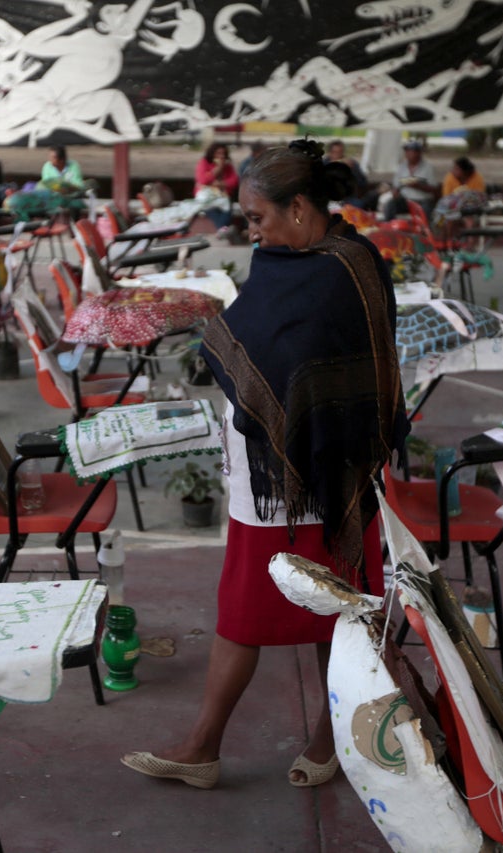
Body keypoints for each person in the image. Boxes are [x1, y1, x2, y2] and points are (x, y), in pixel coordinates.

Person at [121, 139, 408, 791]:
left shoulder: (349, 267)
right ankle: (210, 744)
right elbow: (263, 339)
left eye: (258, 218)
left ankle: (309, 735)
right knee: (255, 603)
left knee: (329, 604)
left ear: (301, 208)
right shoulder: (284, 259)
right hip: (266, 469)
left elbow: (345, 372)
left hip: (327, 471)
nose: (251, 231)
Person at [380, 139, 436, 220]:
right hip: (405, 200)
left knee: (425, 211)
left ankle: (424, 231)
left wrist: (418, 186)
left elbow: (433, 189)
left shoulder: (428, 167)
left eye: (411, 151)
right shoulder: (401, 167)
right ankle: (389, 227)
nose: (408, 153)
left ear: (418, 153)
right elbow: (396, 185)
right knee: (390, 204)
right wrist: (395, 192)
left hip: (422, 201)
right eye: (406, 151)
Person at [193, 142, 238, 229]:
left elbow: (234, 182)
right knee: (211, 209)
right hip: (207, 197)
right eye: (218, 153)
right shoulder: (204, 163)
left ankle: (222, 229)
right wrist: (218, 168)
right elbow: (203, 180)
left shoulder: (228, 166)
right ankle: (223, 229)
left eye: (223, 154)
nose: (221, 156)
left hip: (223, 196)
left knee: (227, 209)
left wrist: (219, 184)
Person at [323, 139, 368, 207]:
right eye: (335, 152)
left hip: (347, 198)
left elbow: (362, 182)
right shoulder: (323, 164)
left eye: (340, 152)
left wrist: (352, 170)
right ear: (330, 153)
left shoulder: (351, 163)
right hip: (327, 197)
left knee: (358, 204)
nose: (337, 155)